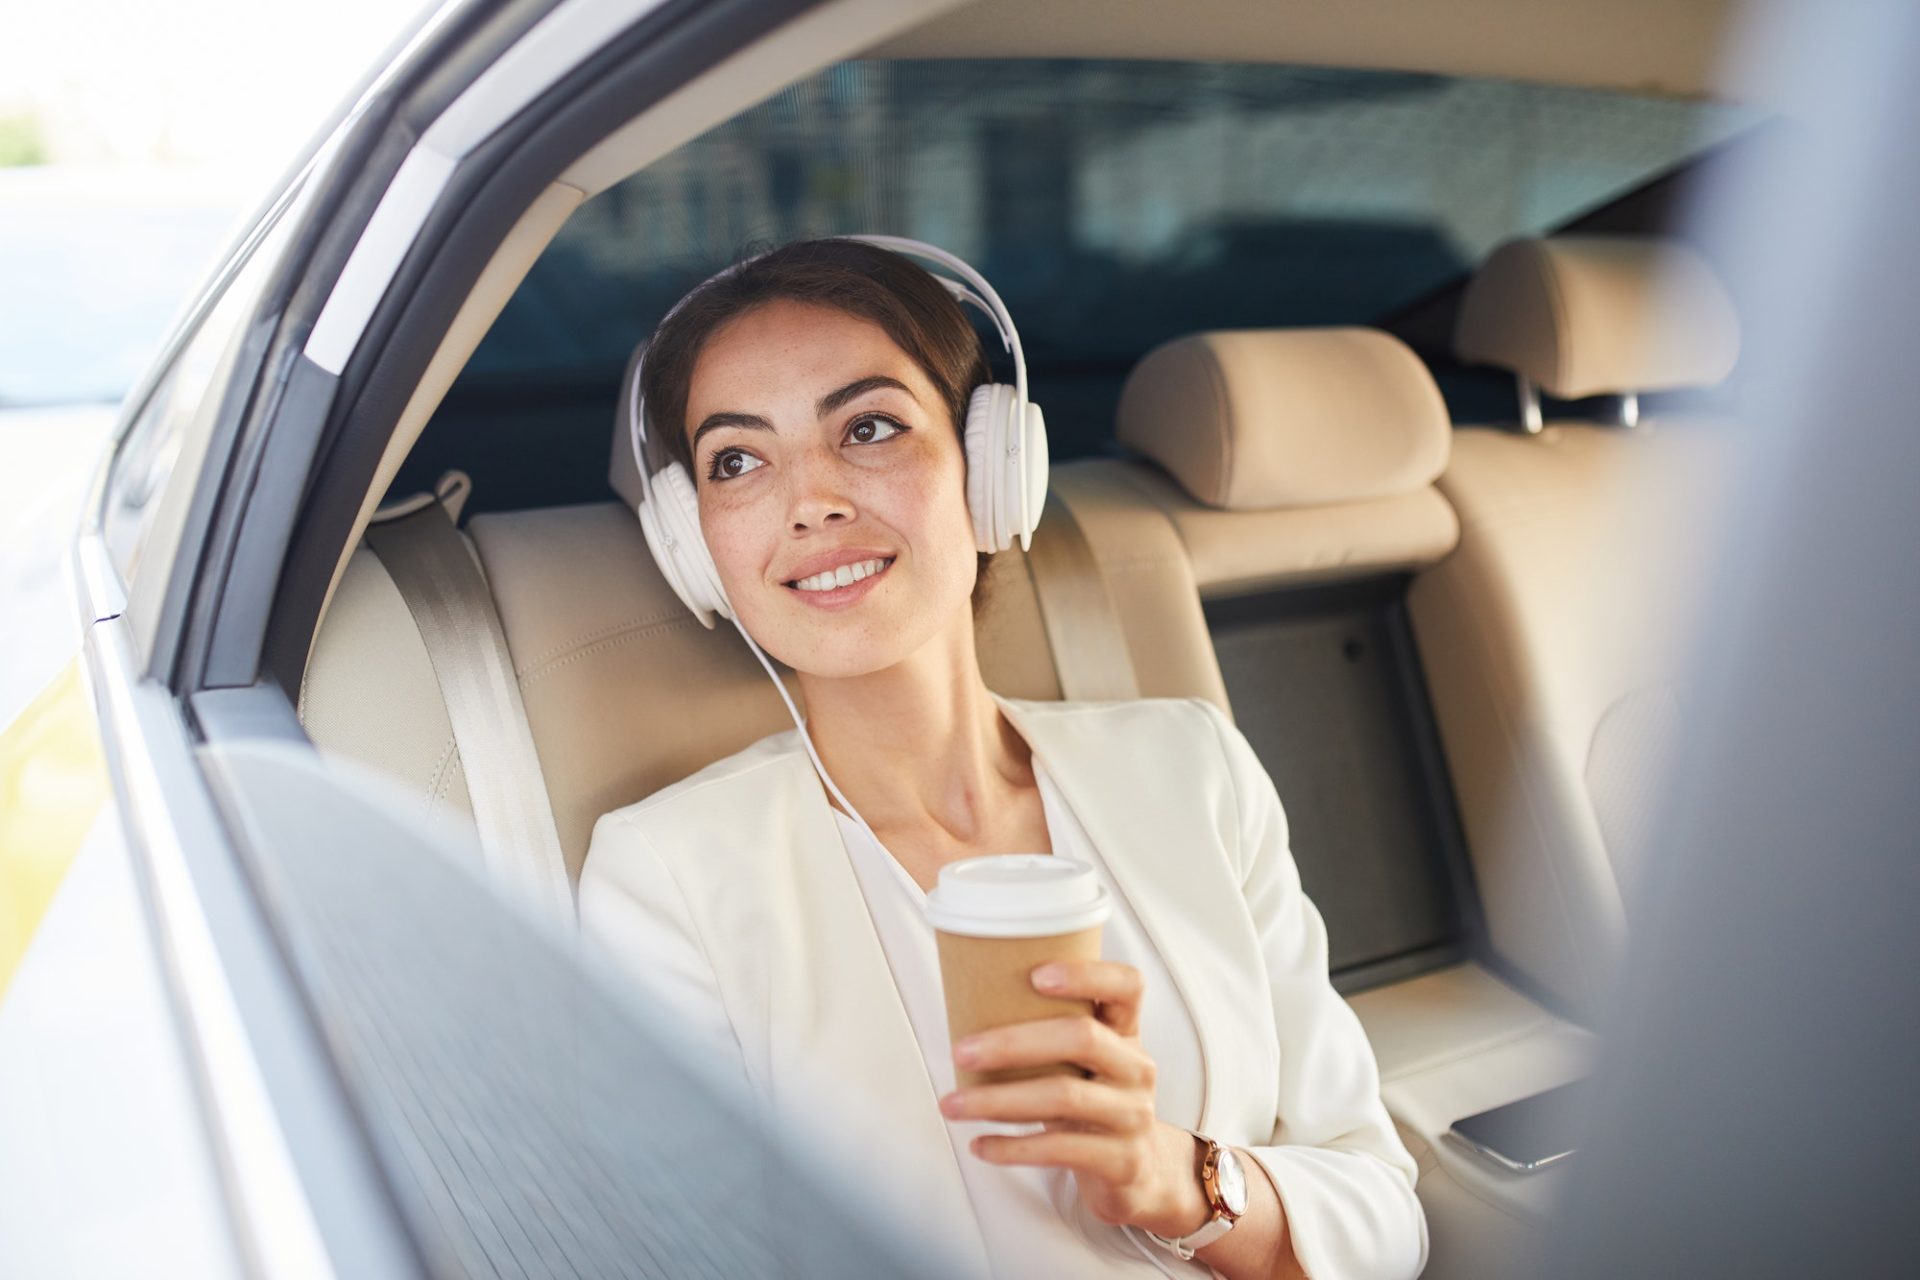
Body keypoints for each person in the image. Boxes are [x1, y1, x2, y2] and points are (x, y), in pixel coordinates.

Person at [578, 237, 1428, 1280]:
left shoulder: (1190, 767)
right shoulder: (663, 878)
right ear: (688, 537)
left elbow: (1382, 1211)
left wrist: (1175, 1176)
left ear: (992, 470)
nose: (811, 500)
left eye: (872, 426)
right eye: (738, 460)